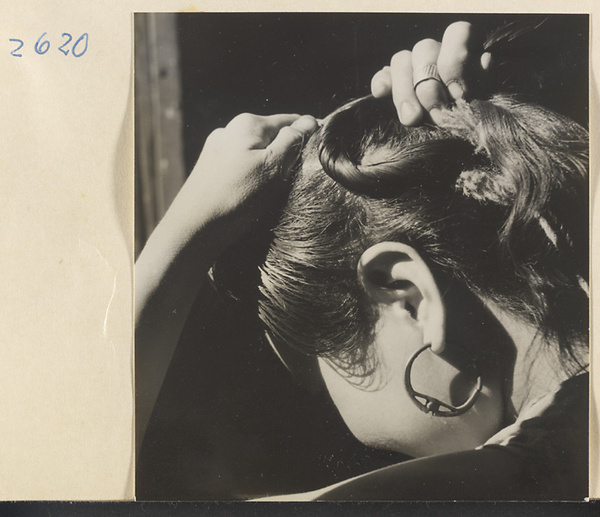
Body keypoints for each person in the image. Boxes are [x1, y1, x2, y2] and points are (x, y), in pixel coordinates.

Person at [136, 21, 588, 500]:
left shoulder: (511, 479)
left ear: (407, 295)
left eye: (323, 371)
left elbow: (67, 477)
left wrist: (179, 237)